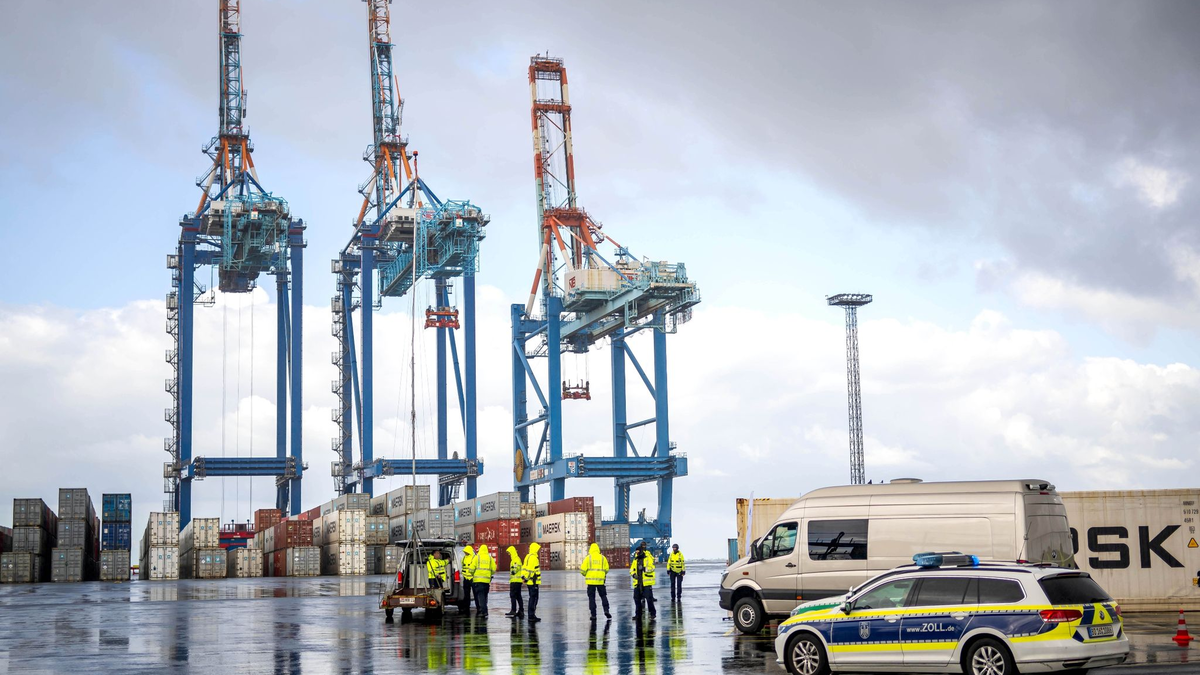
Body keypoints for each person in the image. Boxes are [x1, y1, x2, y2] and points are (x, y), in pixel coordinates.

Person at [580, 542, 612, 620]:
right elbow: (607, 569)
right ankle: (606, 610)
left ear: (590, 549)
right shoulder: (602, 558)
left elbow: (582, 570)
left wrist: (586, 575)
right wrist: (601, 574)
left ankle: (593, 615)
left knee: (592, 598)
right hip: (600, 581)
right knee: (603, 596)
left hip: (591, 582)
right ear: (598, 549)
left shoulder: (588, 558)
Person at [630, 541, 656, 621]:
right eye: (636, 552)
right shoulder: (635, 559)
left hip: (646, 582)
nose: (636, 553)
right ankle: (638, 615)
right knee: (636, 599)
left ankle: (652, 614)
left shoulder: (647, 557)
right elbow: (631, 569)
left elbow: (652, 567)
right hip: (638, 582)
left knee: (649, 599)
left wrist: (645, 569)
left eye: (638, 552)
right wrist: (633, 574)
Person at [474, 544, 496, 618]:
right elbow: (494, 569)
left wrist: (473, 574)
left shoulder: (477, 557)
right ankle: (484, 610)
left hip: (478, 581)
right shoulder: (490, 558)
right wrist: (489, 574)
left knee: (481, 597)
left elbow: (471, 568)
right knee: (485, 596)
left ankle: (484, 612)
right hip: (487, 581)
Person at [522, 542, 542, 623]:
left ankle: (532, 614)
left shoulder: (527, 557)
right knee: (534, 599)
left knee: (532, 598)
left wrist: (524, 578)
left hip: (530, 582)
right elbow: (530, 570)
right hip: (533, 582)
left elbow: (524, 568)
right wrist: (527, 578)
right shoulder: (534, 558)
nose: (538, 551)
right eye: (537, 549)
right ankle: (531, 615)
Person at [504, 545, 525, 618]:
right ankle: (521, 611)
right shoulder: (516, 559)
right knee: (518, 596)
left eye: (509, 553)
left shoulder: (515, 559)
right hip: (517, 581)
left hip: (515, 581)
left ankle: (513, 610)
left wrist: (512, 572)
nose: (509, 554)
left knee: (513, 596)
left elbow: (515, 570)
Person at [461, 545, 476, 609]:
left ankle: (478, 606)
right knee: (466, 593)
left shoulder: (474, 558)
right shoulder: (464, 558)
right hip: (466, 578)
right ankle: (466, 606)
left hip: (473, 578)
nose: (465, 553)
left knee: (475, 593)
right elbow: (463, 566)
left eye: (466, 551)